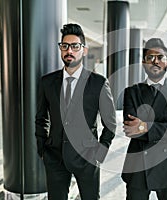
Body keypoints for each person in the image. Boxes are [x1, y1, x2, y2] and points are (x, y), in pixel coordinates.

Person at [35, 23, 116, 200]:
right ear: (60, 49)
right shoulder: (47, 82)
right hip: (55, 157)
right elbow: (41, 118)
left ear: (84, 50)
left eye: (74, 46)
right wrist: (42, 148)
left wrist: (99, 154)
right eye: (65, 46)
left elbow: (110, 123)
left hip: (87, 157)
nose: (69, 50)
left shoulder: (98, 83)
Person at [122, 38, 167, 200]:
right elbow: (131, 129)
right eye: (150, 57)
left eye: (160, 57)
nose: (155, 61)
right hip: (139, 167)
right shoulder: (132, 92)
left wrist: (146, 126)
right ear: (143, 63)